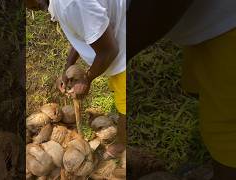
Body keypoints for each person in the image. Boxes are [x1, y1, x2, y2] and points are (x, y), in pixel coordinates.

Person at [129, 0, 236, 179]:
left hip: (228, 24)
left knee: (227, 133)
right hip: (207, 19)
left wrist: (121, 50)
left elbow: (164, 6)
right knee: (206, 95)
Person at [26, 0, 127, 159]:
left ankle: (122, 143)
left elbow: (109, 50)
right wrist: (68, 66)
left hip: (124, 50)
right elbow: (84, 32)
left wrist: (86, 79)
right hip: (113, 41)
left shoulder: (70, 5)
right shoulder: (66, 6)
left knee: (124, 108)